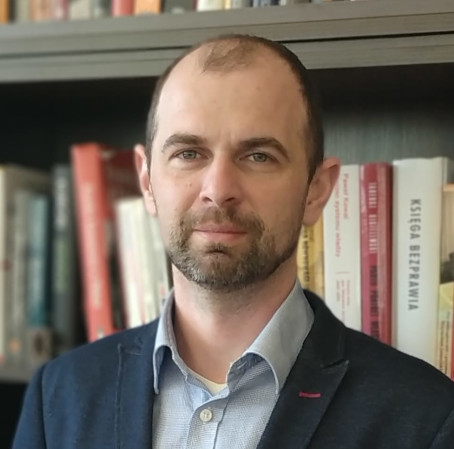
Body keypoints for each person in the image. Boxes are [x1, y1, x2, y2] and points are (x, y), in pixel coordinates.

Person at [13, 34, 454, 449]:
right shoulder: (58, 398)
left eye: (259, 156)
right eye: (188, 153)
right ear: (146, 181)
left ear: (316, 191)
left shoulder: (426, 418)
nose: (218, 189)